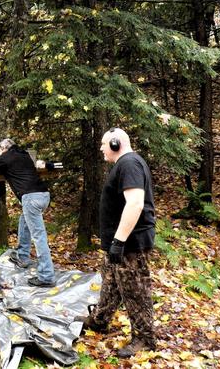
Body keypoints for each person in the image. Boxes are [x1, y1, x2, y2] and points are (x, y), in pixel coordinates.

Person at [76, 127, 156, 357]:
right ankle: (100, 320)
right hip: (119, 243)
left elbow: (135, 203)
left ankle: (144, 339)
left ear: (115, 143)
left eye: (104, 144)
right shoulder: (125, 164)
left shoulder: (129, 164)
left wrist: (119, 241)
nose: (101, 148)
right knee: (110, 282)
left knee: (135, 291)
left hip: (130, 244)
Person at [0, 138, 55, 287]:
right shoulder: (23, 156)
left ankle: (46, 276)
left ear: (4, 148)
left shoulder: (7, 157)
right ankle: (22, 256)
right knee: (24, 221)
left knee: (39, 237)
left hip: (31, 199)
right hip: (43, 195)